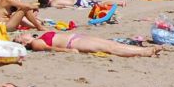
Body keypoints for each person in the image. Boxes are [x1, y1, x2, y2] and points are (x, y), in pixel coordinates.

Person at [22, 31, 162, 58]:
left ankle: (142, 50)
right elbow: (50, 48)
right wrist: (68, 52)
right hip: (73, 43)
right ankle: (144, 52)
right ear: (24, 42)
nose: (19, 35)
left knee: (111, 44)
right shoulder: (35, 43)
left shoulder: (37, 37)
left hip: (77, 38)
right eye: (18, 38)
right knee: (109, 48)